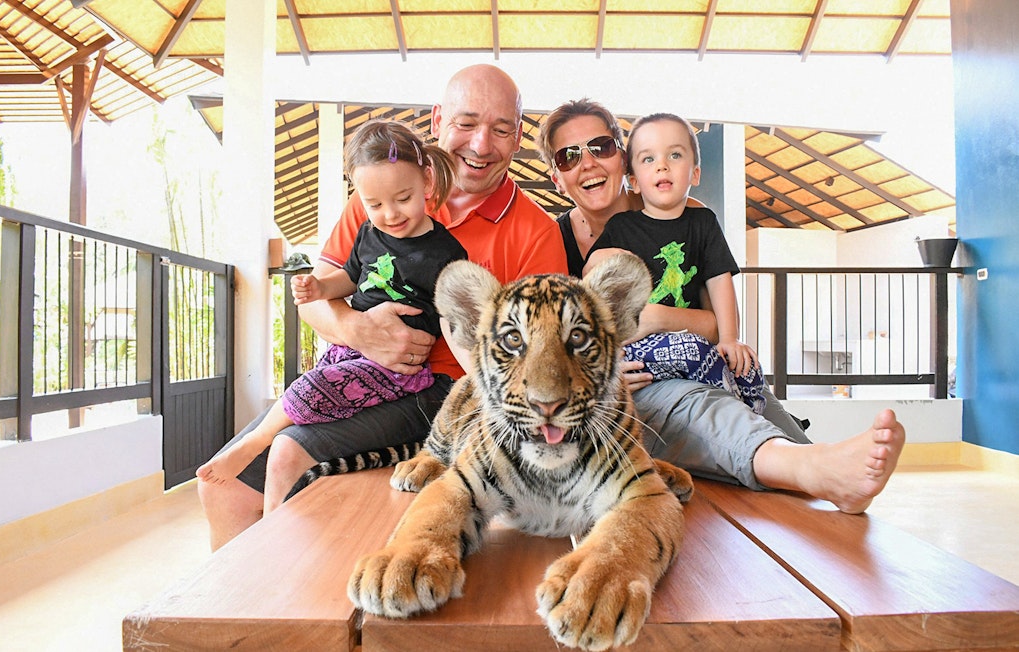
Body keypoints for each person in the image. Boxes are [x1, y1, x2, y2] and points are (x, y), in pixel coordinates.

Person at [198, 64, 568, 551]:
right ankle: (240, 617)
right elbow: (317, 301)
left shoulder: (536, 232)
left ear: (518, 137)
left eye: (500, 129)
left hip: (441, 391)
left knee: (290, 454)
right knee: (219, 488)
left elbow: (535, 360)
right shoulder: (378, 192)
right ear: (438, 120)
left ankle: (289, 600)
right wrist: (358, 329)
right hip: (357, 366)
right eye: (467, 123)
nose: (481, 145)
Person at [538, 98, 905, 514]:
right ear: (556, 176)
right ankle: (811, 468)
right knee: (694, 403)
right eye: (569, 156)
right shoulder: (553, 243)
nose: (586, 163)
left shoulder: (685, 216)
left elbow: (715, 325)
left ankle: (820, 463)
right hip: (622, 395)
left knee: (752, 392)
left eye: (599, 147)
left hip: (696, 361)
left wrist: (657, 317)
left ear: (622, 158)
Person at [195, 120, 467, 513]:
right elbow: (349, 278)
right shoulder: (367, 233)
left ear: (426, 183)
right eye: (374, 205)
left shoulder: (444, 253)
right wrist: (320, 290)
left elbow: (453, 319)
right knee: (317, 384)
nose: (389, 214)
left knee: (314, 389)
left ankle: (253, 447)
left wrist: (479, 381)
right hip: (352, 352)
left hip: (399, 370)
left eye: (403, 198)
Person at [584, 112, 767, 412]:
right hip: (641, 350)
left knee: (748, 368)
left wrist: (731, 339)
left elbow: (719, 279)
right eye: (648, 159)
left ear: (695, 173)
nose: (662, 165)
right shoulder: (621, 227)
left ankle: (755, 420)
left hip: (690, 339)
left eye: (675, 155)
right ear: (634, 182)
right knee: (696, 352)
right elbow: (593, 277)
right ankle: (730, 406)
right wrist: (599, 259)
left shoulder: (703, 222)